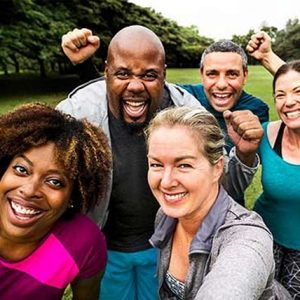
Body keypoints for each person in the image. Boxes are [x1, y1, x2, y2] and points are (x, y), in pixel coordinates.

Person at [59, 25, 263, 300]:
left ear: (164, 73)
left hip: (165, 247)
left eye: (149, 75)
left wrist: (246, 154)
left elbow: (223, 180)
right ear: (106, 70)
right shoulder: (77, 111)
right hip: (105, 248)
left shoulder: (188, 111)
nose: (135, 86)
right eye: (123, 74)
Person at [145, 106, 291, 299]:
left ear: (218, 168)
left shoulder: (247, 238)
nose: (166, 182)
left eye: (184, 165)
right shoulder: (167, 215)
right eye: (156, 164)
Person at [63, 29, 269, 152]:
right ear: (202, 74)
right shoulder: (186, 99)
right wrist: (84, 67)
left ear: (245, 74)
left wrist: (268, 57)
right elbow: (128, 91)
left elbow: (291, 93)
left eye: (232, 74)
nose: (222, 84)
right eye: (213, 73)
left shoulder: (255, 109)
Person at [0, 103, 111, 300]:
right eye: (21, 170)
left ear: (73, 197)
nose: (29, 190)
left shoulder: (82, 241)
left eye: (54, 182)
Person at [250, 61, 300, 299]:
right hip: (265, 237)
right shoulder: (266, 133)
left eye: (297, 92)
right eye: (280, 95)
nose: (288, 102)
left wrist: (269, 55)